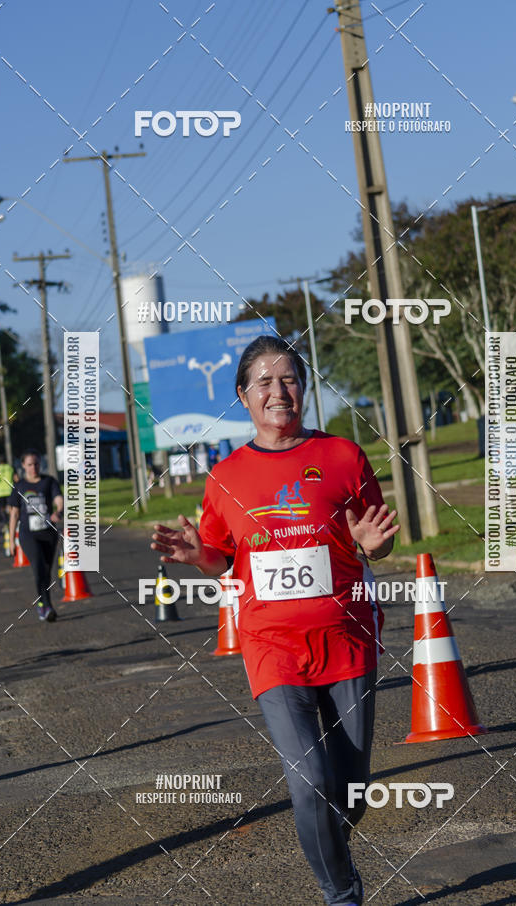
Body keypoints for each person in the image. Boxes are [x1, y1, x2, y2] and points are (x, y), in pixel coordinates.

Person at [151, 336, 399, 906]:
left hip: (346, 642)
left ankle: (333, 848)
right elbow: (223, 558)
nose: (277, 391)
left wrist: (373, 547)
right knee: (309, 782)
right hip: (273, 648)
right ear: (243, 396)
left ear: (304, 388)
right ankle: (343, 895)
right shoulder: (226, 476)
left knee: (351, 795)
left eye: (288, 378)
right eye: (263, 381)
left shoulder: (344, 457)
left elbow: (375, 539)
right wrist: (198, 556)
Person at [8, 449, 63, 622]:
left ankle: (42, 604)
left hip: (48, 533)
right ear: (23, 466)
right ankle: (47, 607)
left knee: (46, 571)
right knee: (39, 568)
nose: (34, 467)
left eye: (36, 463)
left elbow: (59, 499)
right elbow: (14, 514)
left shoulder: (49, 482)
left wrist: (59, 511)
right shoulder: (20, 486)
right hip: (28, 535)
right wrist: (11, 541)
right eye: (30, 464)